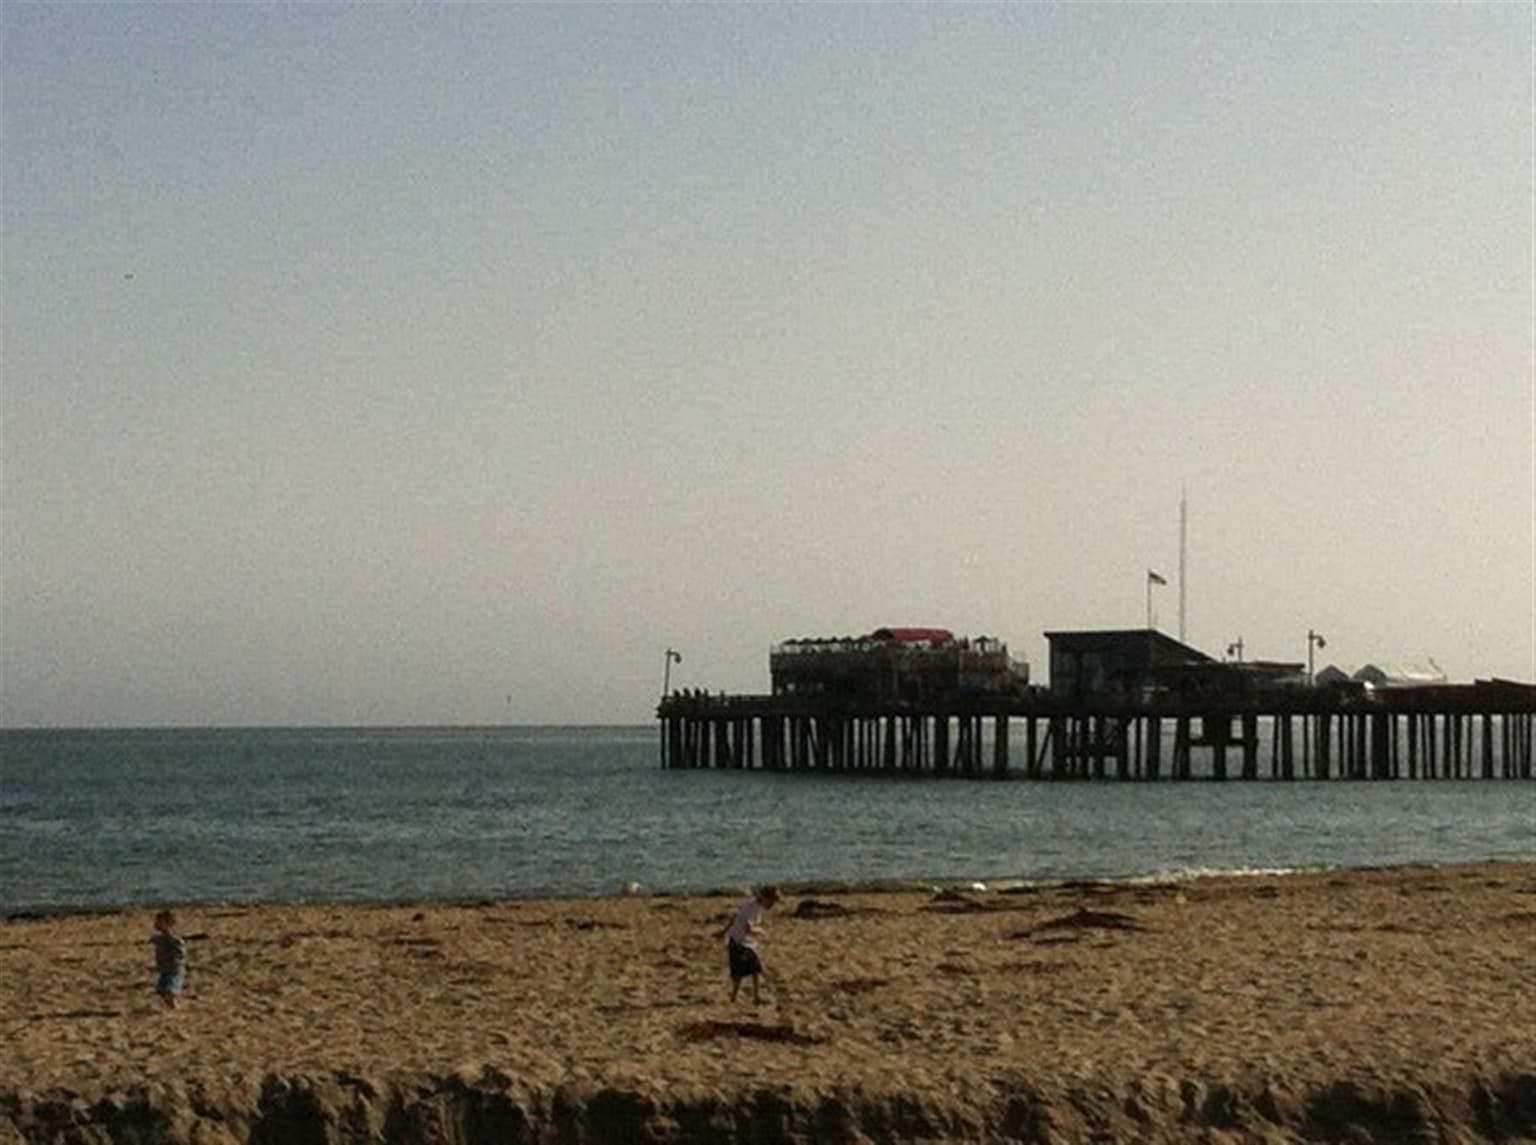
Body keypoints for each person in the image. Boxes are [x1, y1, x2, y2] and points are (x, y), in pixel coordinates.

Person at [717, 885, 779, 1003]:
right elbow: (748, 928)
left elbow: (735, 917)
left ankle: (753, 997)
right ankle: (739, 997)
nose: (772, 905)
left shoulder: (750, 904)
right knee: (744, 972)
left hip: (740, 941)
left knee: (754, 969)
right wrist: (761, 932)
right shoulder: (753, 909)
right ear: (766, 898)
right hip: (739, 942)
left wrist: (724, 931)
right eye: (772, 901)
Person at [149, 909, 187, 1009]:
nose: (156, 924)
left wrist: (175, 959)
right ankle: (172, 1006)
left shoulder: (173, 938)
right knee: (162, 990)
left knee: (170, 989)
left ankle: (175, 1006)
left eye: (159, 922)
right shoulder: (160, 938)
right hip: (164, 968)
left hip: (174, 968)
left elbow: (181, 951)